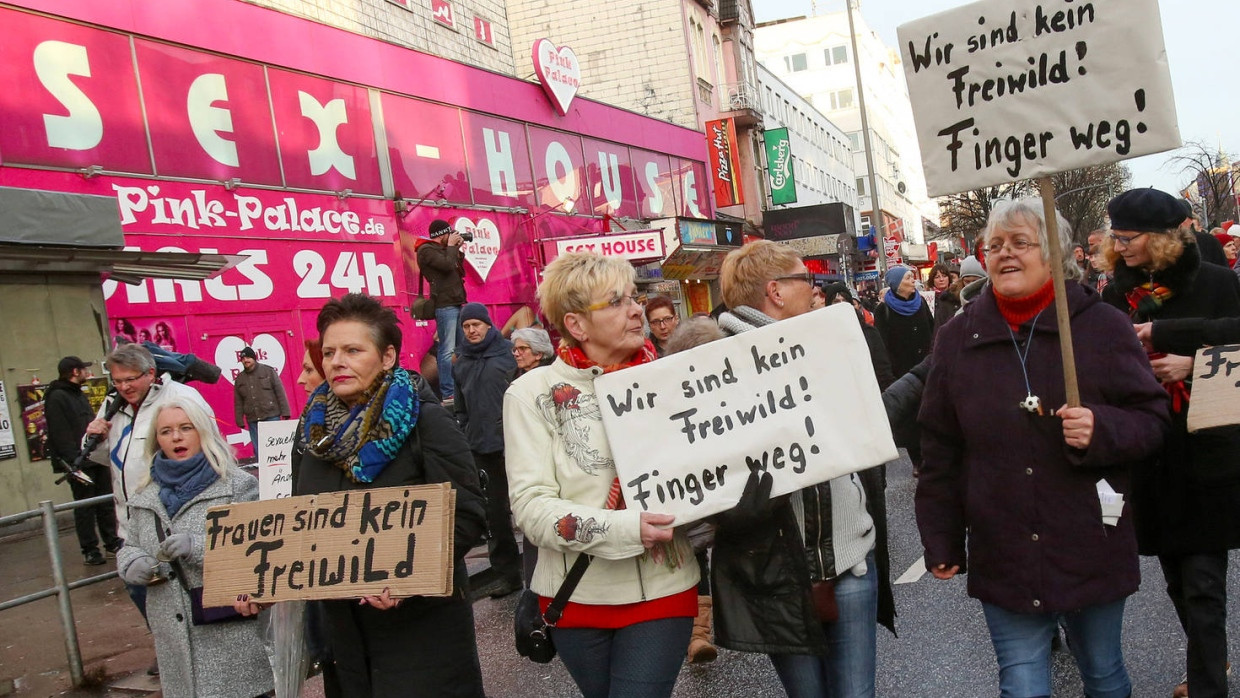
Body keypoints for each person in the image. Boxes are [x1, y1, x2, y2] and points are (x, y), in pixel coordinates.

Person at [916, 197, 1171, 698]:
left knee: (1103, 674)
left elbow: (1153, 419)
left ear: (1055, 254)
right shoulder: (957, 337)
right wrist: (941, 538)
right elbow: (940, 447)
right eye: (994, 245)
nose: (1004, 253)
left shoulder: (1101, 326)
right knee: (1021, 684)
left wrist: (1102, 428)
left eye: (1021, 242)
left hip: (1088, 539)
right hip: (1004, 547)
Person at [504, 252, 699, 698]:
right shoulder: (530, 394)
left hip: (663, 588)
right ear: (576, 324)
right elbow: (531, 508)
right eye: (616, 302)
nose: (635, 310)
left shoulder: (672, 378)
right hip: (575, 596)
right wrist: (626, 528)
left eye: (633, 297)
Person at [712, 240, 896, 698]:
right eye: (806, 280)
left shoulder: (823, 342)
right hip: (777, 575)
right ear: (775, 290)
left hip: (849, 560)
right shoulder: (712, 370)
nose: (815, 290)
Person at [281, 293, 486, 696]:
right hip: (346, 641)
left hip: (423, 636)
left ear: (388, 356)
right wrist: (264, 581)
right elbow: (302, 520)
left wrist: (407, 581)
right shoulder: (311, 435)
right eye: (329, 352)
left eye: (353, 350)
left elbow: (467, 514)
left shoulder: (425, 421)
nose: (336, 362)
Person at [1100, 187, 1240, 698]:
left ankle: (1208, 686)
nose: (1119, 247)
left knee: (1203, 582)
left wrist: (1189, 358)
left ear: (1160, 238)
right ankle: (1212, 659)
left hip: (1208, 449)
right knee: (1177, 580)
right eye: (1115, 238)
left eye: (1128, 238)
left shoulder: (1219, 282)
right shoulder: (1115, 294)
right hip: (1151, 453)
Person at [116, 400, 273, 698]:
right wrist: (131, 562)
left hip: (229, 636)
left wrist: (198, 546)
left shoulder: (237, 486)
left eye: (185, 428)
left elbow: (258, 550)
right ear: (156, 439)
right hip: (173, 641)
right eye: (166, 431)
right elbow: (130, 544)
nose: (176, 437)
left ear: (203, 431)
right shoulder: (144, 494)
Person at [83, 342, 213, 618]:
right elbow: (108, 459)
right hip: (131, 529)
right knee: (150, 609)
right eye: (117, 381)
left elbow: (210, 451)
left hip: (175, 528)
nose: (124, 387)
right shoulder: (113, 404)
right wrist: (95, 439)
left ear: (151, 373)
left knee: (189, 612)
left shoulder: (180, 397)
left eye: (130, 379)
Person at [453, 302, 522, 598]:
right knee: (494, 515)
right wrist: (467, 431)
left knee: (527, 506)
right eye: (466, 326)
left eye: (476, 325)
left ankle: (541, 573)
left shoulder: (508, 354)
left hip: (515, 443)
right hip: (482, 448)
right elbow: (460, 407)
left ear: (488, 325)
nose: (471, 331)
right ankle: (508, 576)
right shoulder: (460, 363)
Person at [44, 356, 121, 566]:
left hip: (94, 458)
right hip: (78, 462)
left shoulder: (77, 394)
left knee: (105, 503)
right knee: (84, 508)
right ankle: (90, 549)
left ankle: (112, 542)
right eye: (84, 369)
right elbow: (60, 433)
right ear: (75, 372)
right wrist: (73, 462)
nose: (87, 373)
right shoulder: (57, 396)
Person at [415, 218, 467, 405]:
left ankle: (463, 385)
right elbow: (446, 266)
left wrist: (457, 249)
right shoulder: (426, 250)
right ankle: (448, 392)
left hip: (456, 302)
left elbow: (457, 270)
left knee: (462, 349)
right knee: (446, 350)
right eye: (449, 233)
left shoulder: (444, 250)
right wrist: (451, 246)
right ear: (441, 234)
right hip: (444, 305)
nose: (452, 236)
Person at [875, 265, 934, 378]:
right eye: (908, 278)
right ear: (897, 284)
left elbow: (932, 330)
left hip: (926, 370)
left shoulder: (921, 302)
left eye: (912, 277)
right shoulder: (883, 310)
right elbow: (882, 346)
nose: (913, 280)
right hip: (901, 374)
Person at [232, 346, 290, 451]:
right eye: (243, 359)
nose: (245, 360)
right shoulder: (240, 379)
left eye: (248, 358)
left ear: (254, 358)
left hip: (271, 416)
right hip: (253, 420)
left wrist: (285, 412)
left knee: (276, 447)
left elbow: (280, 392)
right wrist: (239, 420)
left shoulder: (268, 371)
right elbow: (238, 401)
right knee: (259, 449)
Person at [927, 263, 960, 329]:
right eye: (937, 277)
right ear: (932, 280)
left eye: (944, 276)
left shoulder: (956, 295)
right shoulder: (928, 298)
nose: (941, 279)